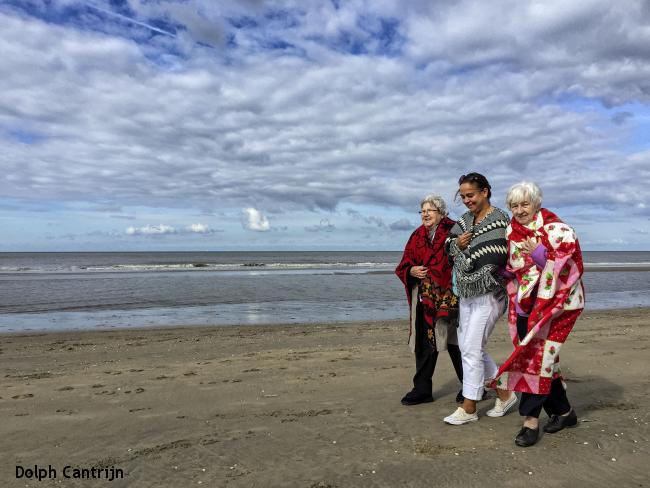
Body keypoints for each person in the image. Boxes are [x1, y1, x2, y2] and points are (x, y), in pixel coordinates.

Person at [490, 181, 585, 447]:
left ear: (537, 203)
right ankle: (565, 413)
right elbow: (515, 266)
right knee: (544, 362)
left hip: (556, 308)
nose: (520, 210)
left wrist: (540, 253)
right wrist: (503, 271)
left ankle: (530, 421)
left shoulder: (558, 229)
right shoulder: (511, 231)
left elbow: (571, 266)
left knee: (535, 359)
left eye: (525, 204)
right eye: (514, 205)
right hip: (525, 306)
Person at [443, 172, 517, 425]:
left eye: (470, 195)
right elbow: (449, 245)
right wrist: (459, 247)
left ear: (485, 191)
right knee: (468, 348)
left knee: (472, 349)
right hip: (465, 292)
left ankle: (470, 406)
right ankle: (505, 393)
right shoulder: (464, 220)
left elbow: (496, 256)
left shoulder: (500, 219)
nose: (466, 200)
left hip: (490, 293)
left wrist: (468, 255)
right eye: (463, 196)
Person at [395, 195, 464, 406]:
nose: (425, 214)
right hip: (423, 298)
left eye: (430, 210)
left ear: (441, 213)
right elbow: (404, 264)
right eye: (422, 210)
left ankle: (471, 388)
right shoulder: (416, 235)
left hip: (450, 296)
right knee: (424, 344)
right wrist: (411, 270)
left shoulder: (455, 229)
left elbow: (463, 257)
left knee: (457, 343)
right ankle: (422, 389)